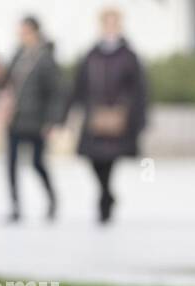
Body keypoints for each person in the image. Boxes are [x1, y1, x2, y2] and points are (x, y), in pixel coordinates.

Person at [62, 7, 148, 224]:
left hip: (120, 118)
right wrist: (65, 114)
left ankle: (104, 203)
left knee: (109, 160)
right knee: (93, 159)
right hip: (94, 116)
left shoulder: (129, 56)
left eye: (113, 23)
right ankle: (107, 193)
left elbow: (139, 89)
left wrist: (136, 116)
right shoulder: (91, 54)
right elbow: (79, 86)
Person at [1, 16, 61, 223]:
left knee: (37, 163)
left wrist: (51, 121)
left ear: (35, 32)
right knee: (10, 163)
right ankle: (15, 206)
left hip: (36, 120)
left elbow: (56, 92)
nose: (21, 36)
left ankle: (52, 200)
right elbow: (6, 83)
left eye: (25, 31)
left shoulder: (46, 58)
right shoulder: (17, 55)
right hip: (15, 119)